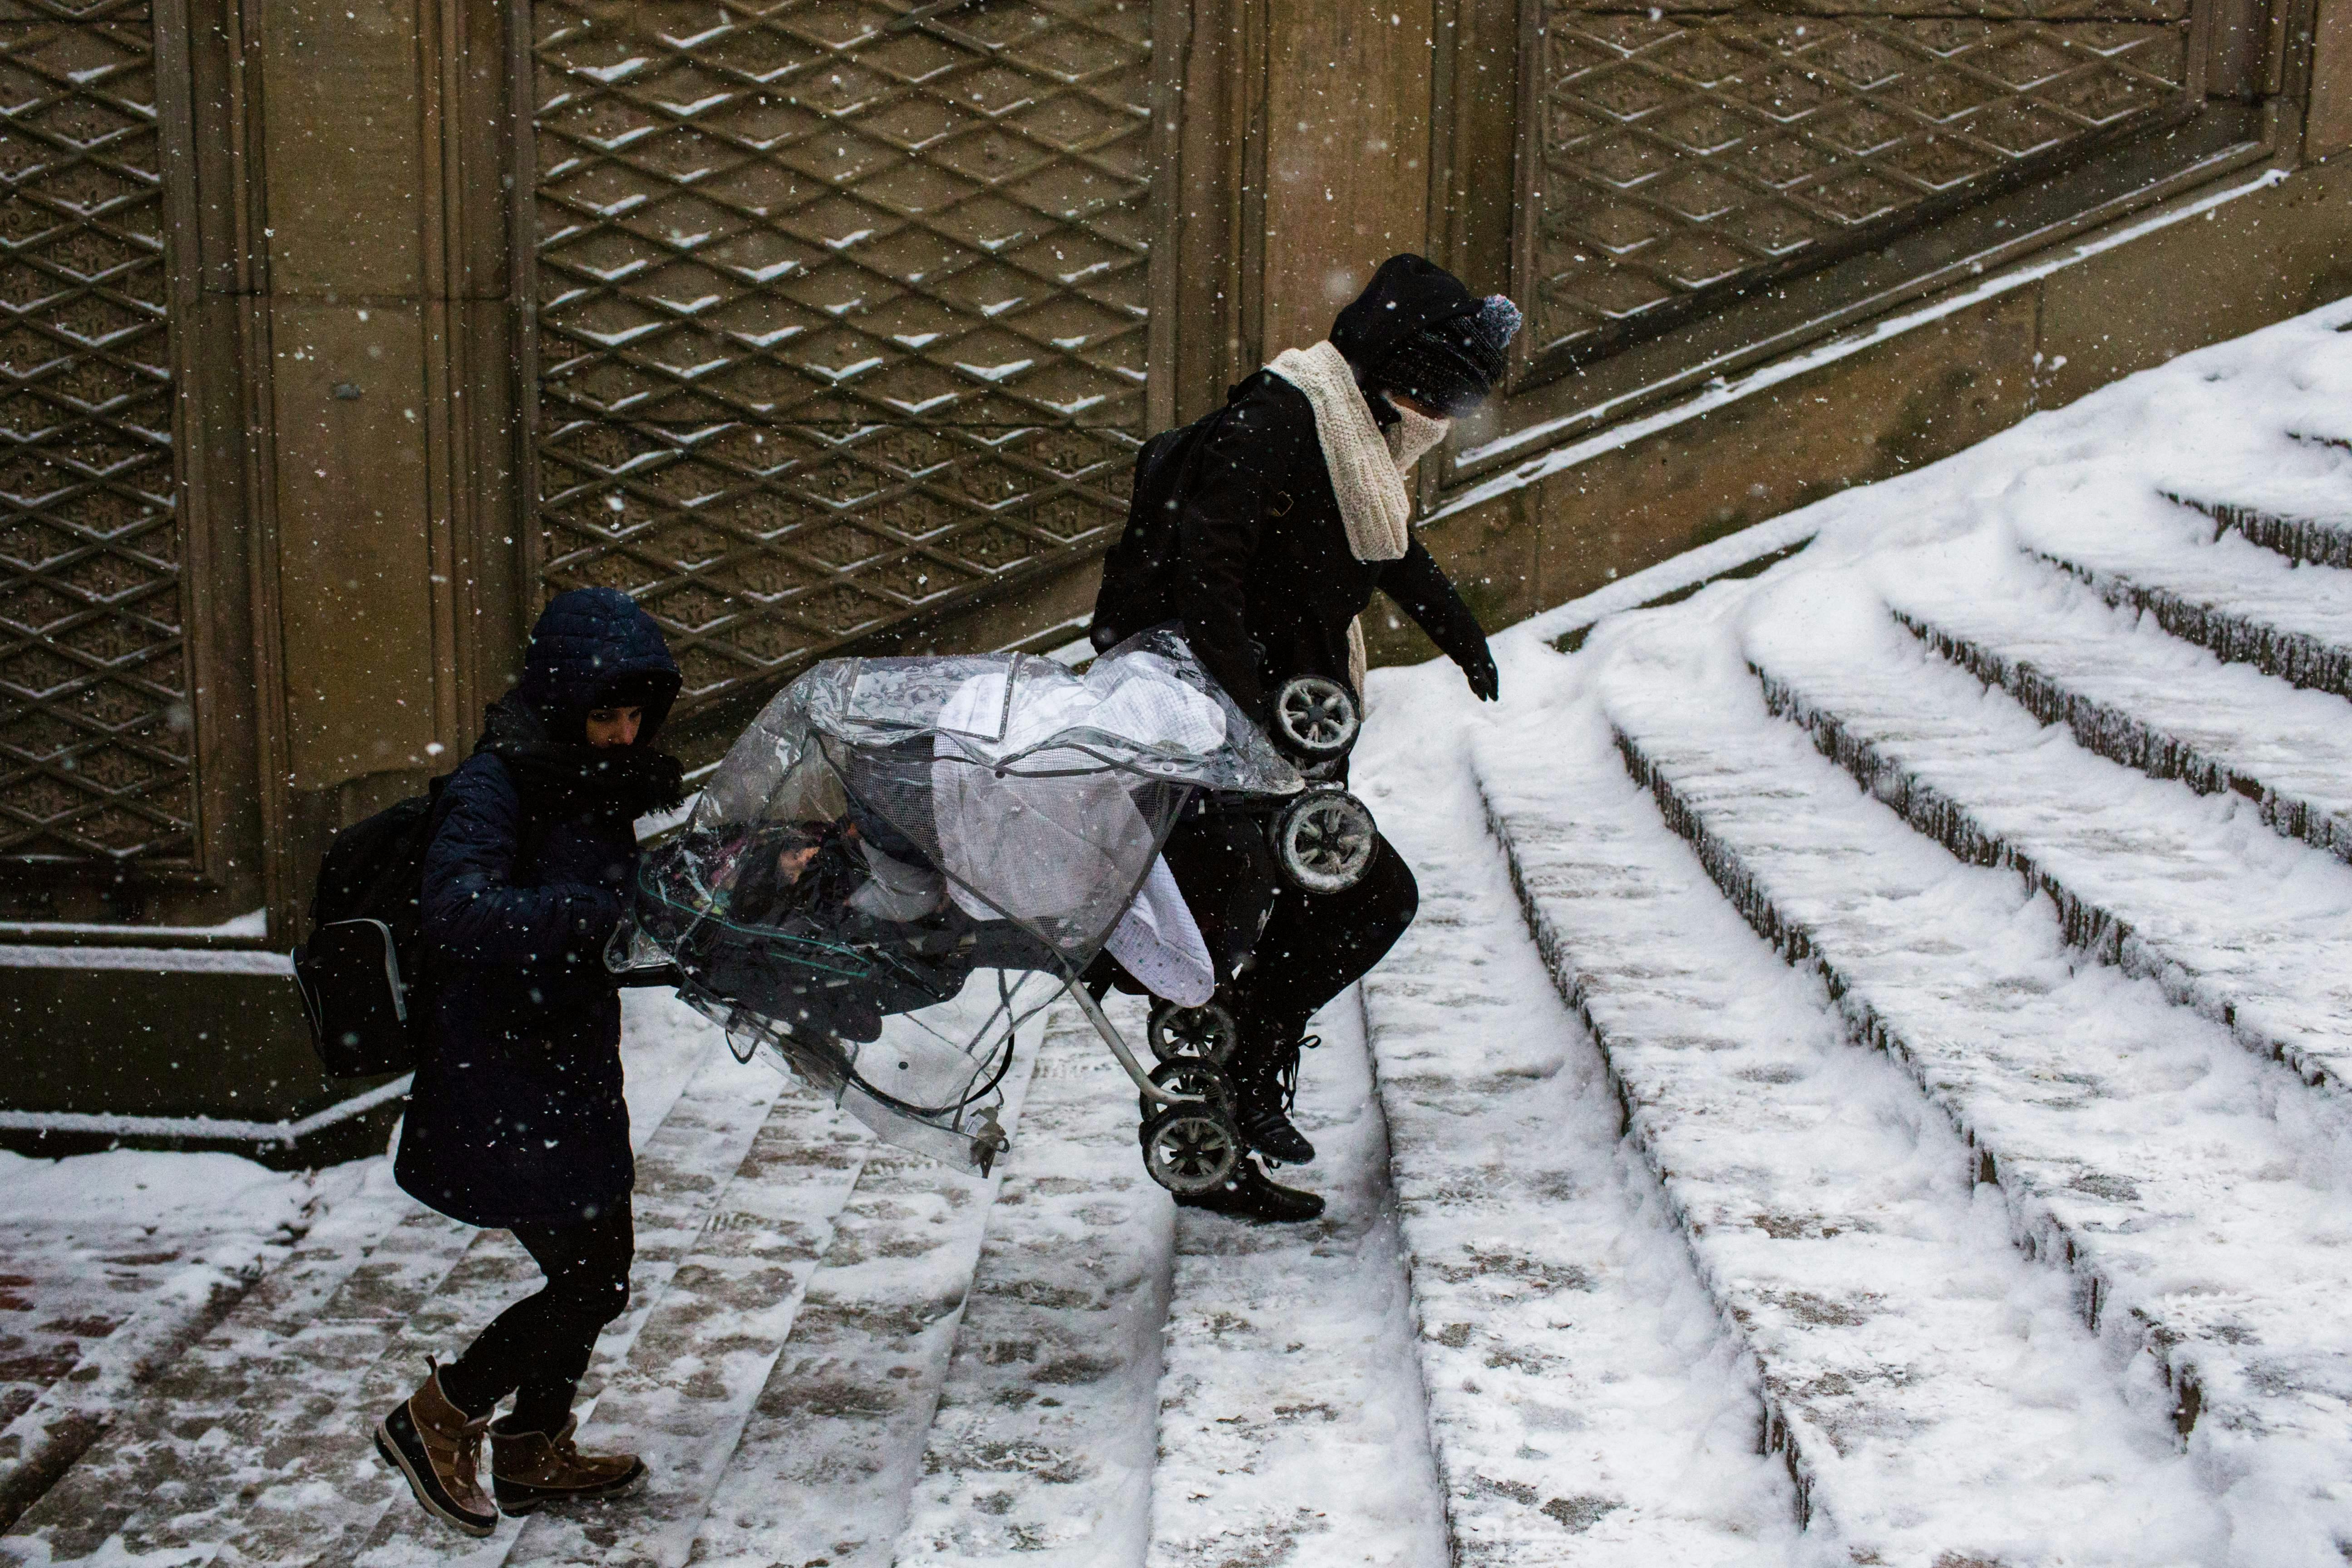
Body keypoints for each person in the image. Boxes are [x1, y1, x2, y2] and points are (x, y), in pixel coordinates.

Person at [1124, 254, 1519, 1223]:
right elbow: (1200, 575)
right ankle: (1229, 1110)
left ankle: (1251, 1072)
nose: (1434, 415)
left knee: (1305, 911)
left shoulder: (1357, 433)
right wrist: (1248, 717)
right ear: (1395, 357)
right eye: (1434, 390)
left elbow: (1383, 546)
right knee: (1337, 904)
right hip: (1231, 735)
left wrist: (1460, 632)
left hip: (1284, 730)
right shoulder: (1279, 419)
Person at [375, 586, 686, 1536]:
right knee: (590, 1276)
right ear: (560, 703)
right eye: (605, 714)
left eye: (636, 714)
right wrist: (596, 917)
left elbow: (605, 892)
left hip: (569, 1060)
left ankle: (533, 1447)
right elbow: (457, 910)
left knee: (604, 1264)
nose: (623, 733)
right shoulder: (495, 784)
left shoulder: (586, 779)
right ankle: (438, 1413)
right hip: (501, 1066)